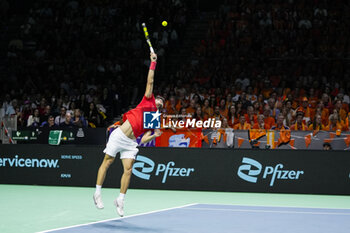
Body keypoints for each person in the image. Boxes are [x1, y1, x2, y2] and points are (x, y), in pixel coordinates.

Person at [93, 53, 164, 217]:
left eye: (162, 102)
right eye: (159, 99)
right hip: (119, 136)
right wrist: (153, 64)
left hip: (131, 143)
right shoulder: (148, 100)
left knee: (128, 170)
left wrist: (155, 135)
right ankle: (97, 193)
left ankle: (120, 200)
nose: (160, 101)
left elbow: (144, 139)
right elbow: (150, 81)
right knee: (107, 162)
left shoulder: (154, 118)